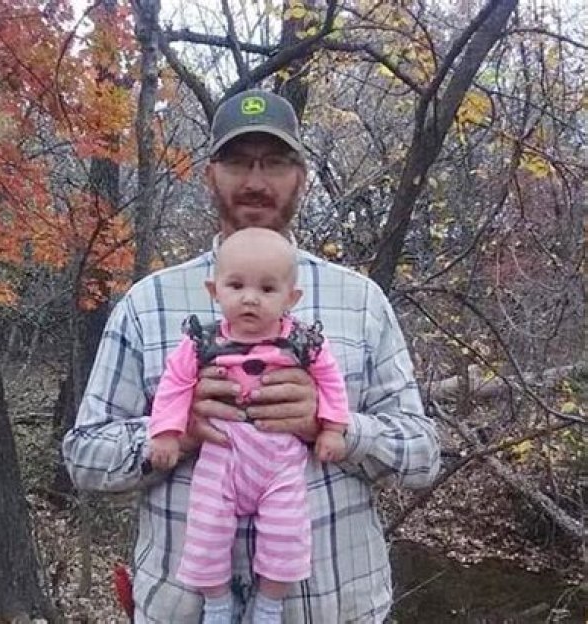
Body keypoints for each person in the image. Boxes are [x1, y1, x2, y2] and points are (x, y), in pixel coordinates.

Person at [62, 88, 440, 623]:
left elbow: (423, 456)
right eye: (238, 161)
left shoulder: (361, 301)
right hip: (183, 612)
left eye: (275, 162)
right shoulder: (149, 303)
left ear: (301, 177)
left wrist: (333, 425)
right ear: (210, 175)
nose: (256, 181)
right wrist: (178, 429)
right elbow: (83, 458)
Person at [148, 227, 349, 624]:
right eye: (236, 285)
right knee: (205, 532)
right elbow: (175, 385)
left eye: (267, 288)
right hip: (221, 455)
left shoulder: (305, 343)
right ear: (214, 290)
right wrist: (167, 433)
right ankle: (217, 603)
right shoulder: (201, 342)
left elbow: (331, 383)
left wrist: (332, 428)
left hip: (281, 461)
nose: (250, 298)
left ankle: (269, 605)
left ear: (291, 298)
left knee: (287, 536)